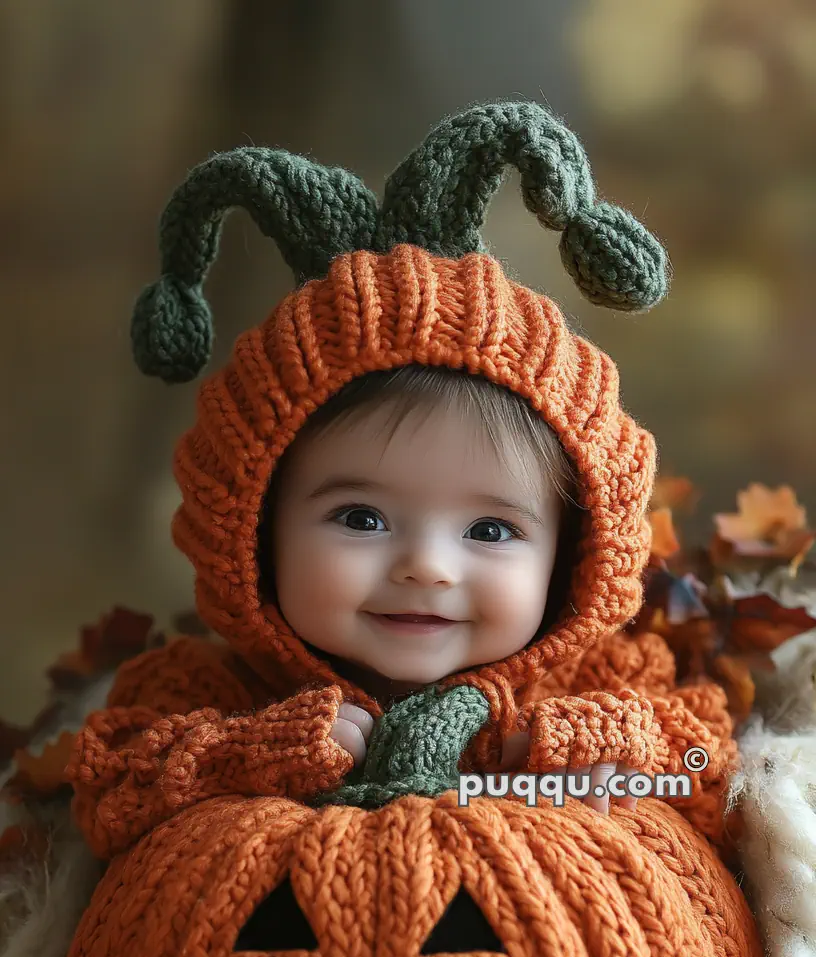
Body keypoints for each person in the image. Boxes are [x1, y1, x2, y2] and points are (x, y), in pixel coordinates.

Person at [66, 101, 732, 858]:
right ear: (251, 534)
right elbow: (112, 787)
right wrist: (247, 751)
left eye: (489, 530)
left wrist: (604, 748)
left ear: (574, 556)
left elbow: (708, 770)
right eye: (360, 518)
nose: (427, 566)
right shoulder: (209, 694)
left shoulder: (603, 681)